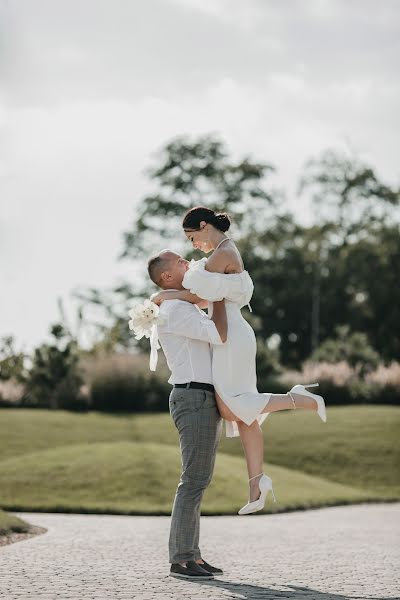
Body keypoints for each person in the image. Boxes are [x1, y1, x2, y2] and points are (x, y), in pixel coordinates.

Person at [150, 207, 327, 516]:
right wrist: (176, 296)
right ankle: (256, 485)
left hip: (230, 335)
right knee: (243, 414)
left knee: (232, 406)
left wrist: (166, 297)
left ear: (204, 227)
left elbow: (197, 297)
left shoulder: (221, 254)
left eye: (192, 237)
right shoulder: (220, 253)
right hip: (233, 332)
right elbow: (205, 298)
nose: (193, 246)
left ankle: (298, 399)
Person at [147, 250, 227, 580]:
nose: (187, 262)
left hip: (200, 395)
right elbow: (219, 334)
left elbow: (200, 301)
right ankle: (180, 559)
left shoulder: (177, 302)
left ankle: (191, 553)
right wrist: (220, 295)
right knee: (192, 481)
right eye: (180, 262)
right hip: (193, 396)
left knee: (198, 480)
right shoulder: (175, 309)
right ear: (167, 276)